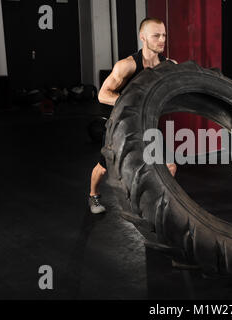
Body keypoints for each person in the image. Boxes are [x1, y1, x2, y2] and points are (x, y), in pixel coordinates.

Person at [89, 17, 177, 214]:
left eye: (164, 35)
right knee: (103, 168)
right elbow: (103, 95)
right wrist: (133, 102)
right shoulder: (127, 66)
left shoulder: (170, 65)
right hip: (121, 125)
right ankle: (93, 196)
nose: (162, 39)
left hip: (149, 124)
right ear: (143, 37)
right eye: (156, 35)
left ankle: (161, 204)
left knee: (170, 166)